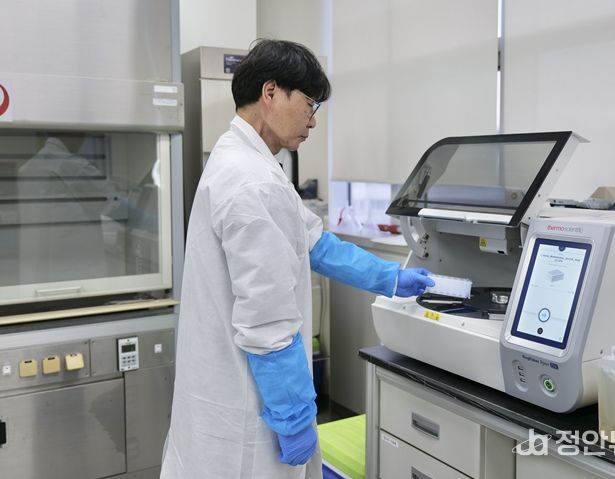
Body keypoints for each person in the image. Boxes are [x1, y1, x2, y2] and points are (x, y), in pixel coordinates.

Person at [160, 39, 434, 479]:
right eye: (309, 104)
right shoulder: (253, 182)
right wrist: (293, 416)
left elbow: (313, 242)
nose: (313, 121)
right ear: (271, 92)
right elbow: (267, 322)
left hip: (223, 396)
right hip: (247, 410)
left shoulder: (245, 161)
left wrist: (389, 277)